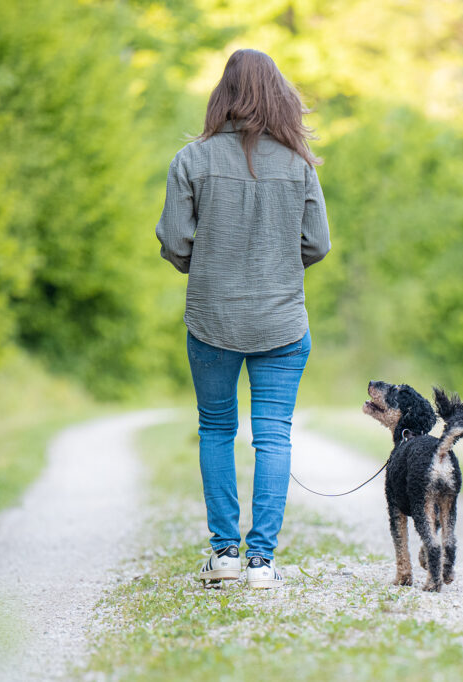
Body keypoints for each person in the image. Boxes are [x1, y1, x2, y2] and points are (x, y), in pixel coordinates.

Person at [155, 49, 330, 589]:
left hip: (212, 319)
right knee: (273, 434)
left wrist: (208, 265)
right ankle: (262, 562)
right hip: (282, 322)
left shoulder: (191, 159)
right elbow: (317, 243)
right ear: (278, 96)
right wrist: (276, 265)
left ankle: (225, 554)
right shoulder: (298, 164)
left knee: (216, 428)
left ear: (223, 94)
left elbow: (173, 241)